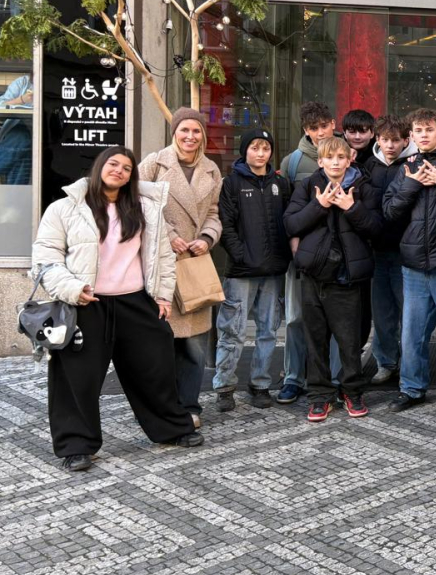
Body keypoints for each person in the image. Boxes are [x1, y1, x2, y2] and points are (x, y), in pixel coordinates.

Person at [32, 146, 203, 472]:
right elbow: (45, 259)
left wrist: (163, 296)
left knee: (155, 369)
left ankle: (171, 429)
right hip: (85, 304)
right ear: (99, 166)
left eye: (127, 168)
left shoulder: (145, 208)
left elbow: (163, 257)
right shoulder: (64, 208)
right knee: (76, 379)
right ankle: (76, 446)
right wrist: (72, 289)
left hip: (135, 302)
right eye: (113, 164)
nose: (119, 171)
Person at [283, 136, 383, 422]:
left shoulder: (364, 188)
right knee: (315, 340)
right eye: (330, 157)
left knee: (350, 341)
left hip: (347, 276)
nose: (336, 162)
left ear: (350, 159)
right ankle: (319, 396)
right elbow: (290, 223)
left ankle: (352, 392)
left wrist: (353, 208)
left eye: (341, 157)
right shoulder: (307, 186)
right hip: (314, 274)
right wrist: (319, 205)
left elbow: (377, 228)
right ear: (320, 161)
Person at [139, 108, 222, 430]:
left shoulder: (211, 169)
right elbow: (138, 204)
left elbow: (214, 212)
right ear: (174, 132)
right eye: (184, 130)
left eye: (196, 131)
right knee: (160, 341)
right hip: (159, 263)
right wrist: (169, 235)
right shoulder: (154, 163)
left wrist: (207, 238)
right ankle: (163, 406)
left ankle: (189, 405)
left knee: (194, 343)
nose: (190, 136)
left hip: (194, 265)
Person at [382, 108, 436, 411]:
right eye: (418, 130)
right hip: (414, 263)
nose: (424, 135)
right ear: (412, 136)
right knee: (412, 333)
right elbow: (389, 211)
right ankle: (412, 388)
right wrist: (412, 183)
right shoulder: (406, 167)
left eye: (429, 129)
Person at [213, 128, 291, 411]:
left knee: (268, 330)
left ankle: (260, 384)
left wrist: (284, 255)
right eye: (255, 148)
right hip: (241, 272)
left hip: (273, 271)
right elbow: (225, 225)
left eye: (266, 148)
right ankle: (224, 386)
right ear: (244, 150)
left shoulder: (280, 184)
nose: (260, 153)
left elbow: (289, 221)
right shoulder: (231, 183)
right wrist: (241, 255)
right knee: (232, 330)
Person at [277, 101, 337, 404]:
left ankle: (335, 378)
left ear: (333, 124)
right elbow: (286, 210)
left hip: (337, 253)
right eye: (314, 128)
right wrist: (293, 242)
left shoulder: (346, 154)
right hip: (302, 253)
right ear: (306, 130)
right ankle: (293, 377)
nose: (321, 132)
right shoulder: (293, 162)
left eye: (325, 125)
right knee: (295, 318)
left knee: (337, 320)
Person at [363, 114, 416, 385]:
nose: (390, 145)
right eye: (385, 140)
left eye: (396, 140)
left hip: (406, 251)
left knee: (409, 313)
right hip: (377, 249)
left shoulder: (414, 163)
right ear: (377, 139)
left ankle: (409, 365)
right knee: (382, 312)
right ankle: (385, 362)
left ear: (406, 140)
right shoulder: (369, 165)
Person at [0, 72, 33, 186]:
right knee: (21, 142)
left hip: (41, 130)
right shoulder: (23, 82)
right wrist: (21, 99)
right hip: (17, 128)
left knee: (22, 139)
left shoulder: (52, 85)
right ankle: (16, 194)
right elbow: (0, 105)